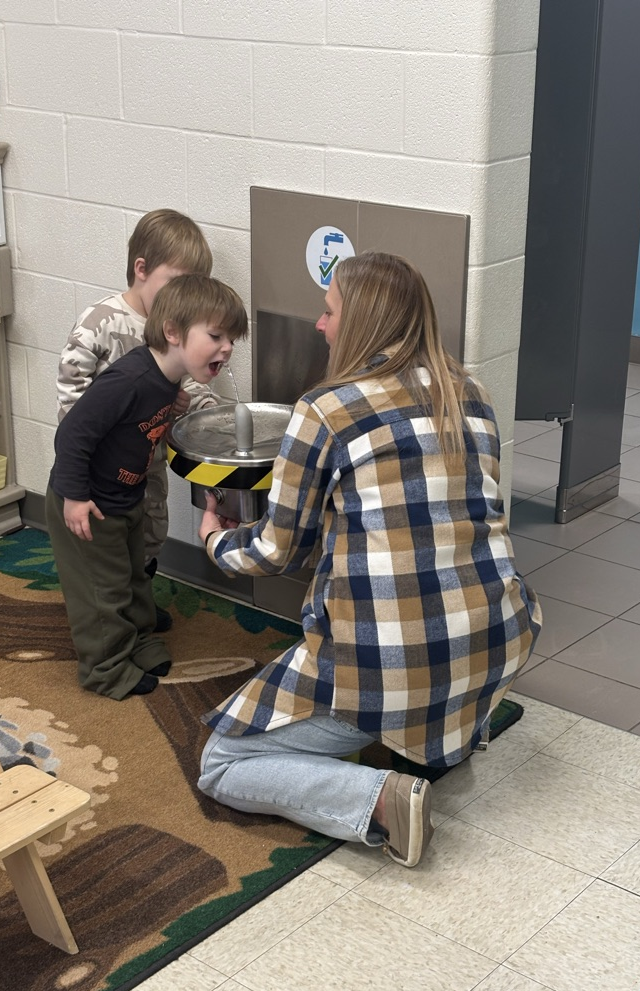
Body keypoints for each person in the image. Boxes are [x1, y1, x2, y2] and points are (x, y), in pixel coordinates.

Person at [196, 251, 541, 867]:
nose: (320, 324)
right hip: (498, 639)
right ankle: (453, 732)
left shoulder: (326, 410)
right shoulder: (472, 394)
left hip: (392, 664)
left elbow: (276, 550)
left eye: (329, 311)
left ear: (361, 323)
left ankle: (381, 801)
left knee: (221, 762)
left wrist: (216, 540)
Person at [47, 274, 248, 701]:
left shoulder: (168, 381)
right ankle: (105, 669)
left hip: (125, 497)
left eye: (231, 339)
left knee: (134, 576)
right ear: (173, 332)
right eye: (216, 336)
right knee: (103, 590)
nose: (228, 347)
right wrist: (75, 497)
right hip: (89, 502)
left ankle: (137, 641)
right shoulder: (129, 379)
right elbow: (72, 435)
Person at [57, 208, 220, 632]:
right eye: (176, 283)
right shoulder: (101, 322)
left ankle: (138, 600)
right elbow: (73, 402)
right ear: (141, 269)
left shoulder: (182, 329)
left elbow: (194, 385)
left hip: (148, 462)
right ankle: (109, 615)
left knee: (149, 533)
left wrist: (198, 411)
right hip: (102, 473)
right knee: (106, 545)